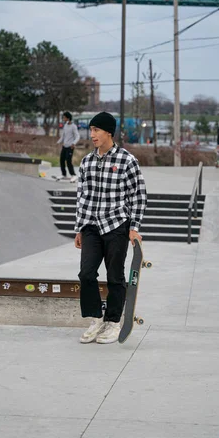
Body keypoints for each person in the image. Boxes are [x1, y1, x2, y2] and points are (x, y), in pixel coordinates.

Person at [74, 112, 147, 345]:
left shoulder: (127, 161)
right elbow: (82, 196)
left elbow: (139, 195)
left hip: (116, 226)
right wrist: (79, 228)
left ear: (108, 132)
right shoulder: (87, 161)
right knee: (86, 274)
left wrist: (134, 227)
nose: (92, 135)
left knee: (115, 276)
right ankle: (96, 318)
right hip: (92, 227)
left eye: (96, 130)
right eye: (91, 130)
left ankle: (113, 322)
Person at [57, 111, 80, 181]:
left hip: (70, 147)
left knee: (68, 161)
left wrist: (74, 143)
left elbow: (77, 136)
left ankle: (74, 175)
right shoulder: (65, 125)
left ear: (68, 118)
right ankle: (63, 174)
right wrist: (58, 142)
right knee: (61, 160)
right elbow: (63, 136)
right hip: (64, 146)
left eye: (64, 117)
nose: (63, 118)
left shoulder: (73, 126)